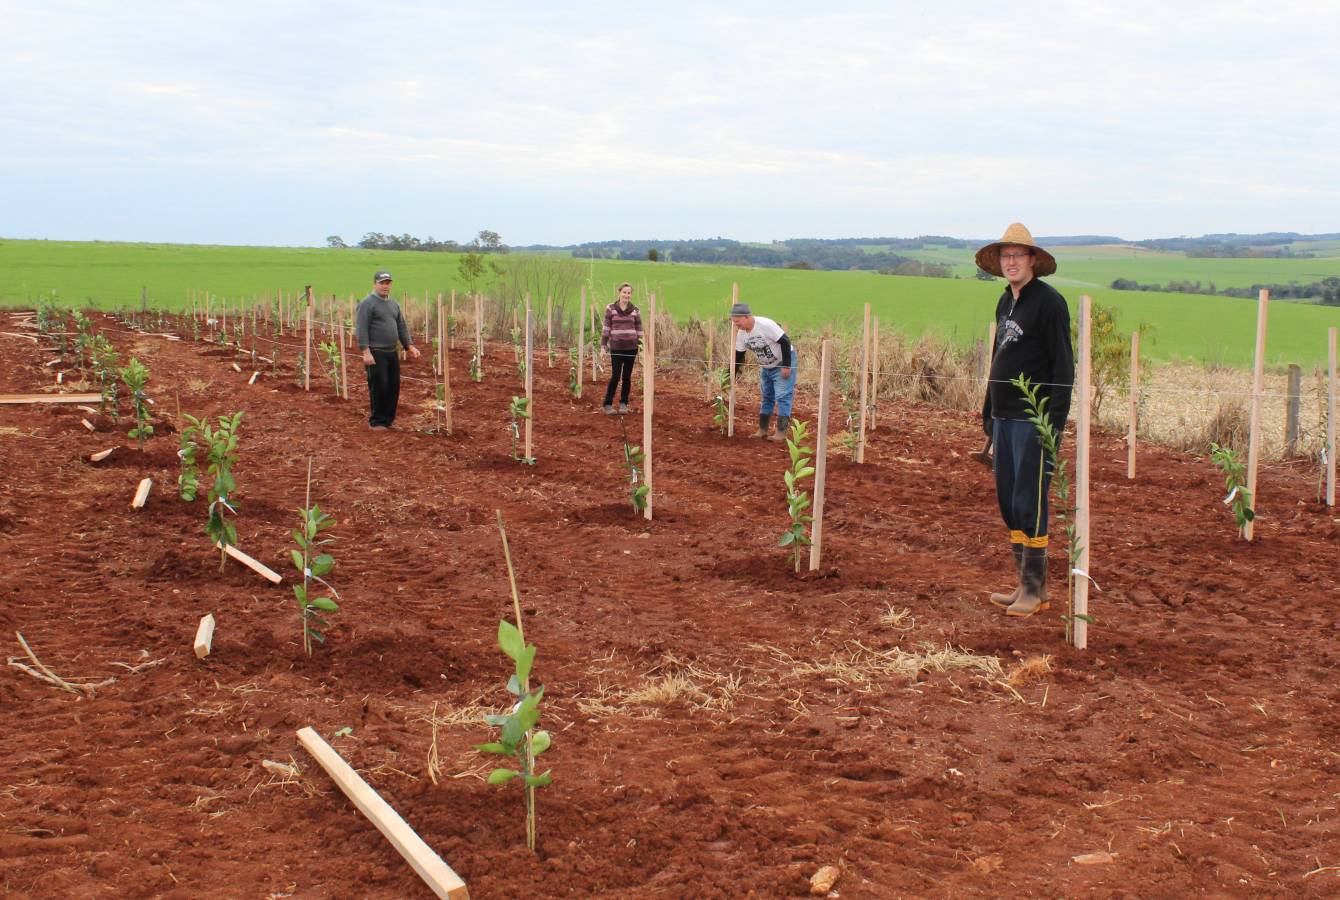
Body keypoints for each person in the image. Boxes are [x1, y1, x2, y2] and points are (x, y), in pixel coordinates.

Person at [978, 223, 1074, 618]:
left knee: (1029, 501)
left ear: (1033, 259)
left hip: (1033, 419)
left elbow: (1063, 366)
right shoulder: (1006, 301)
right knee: (1009, 502)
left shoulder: (1049, 303)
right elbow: (998, 356)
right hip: (1004, 418)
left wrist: (1053, 424)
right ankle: (1023, 584)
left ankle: (1036, 590)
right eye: (1006, 256)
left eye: (1018, 255)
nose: (1011, 261)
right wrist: (988, 410)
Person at [355, 271, 420, 430]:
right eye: (382, 283)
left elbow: (401, 326)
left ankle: (388, 421)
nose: (385, 286)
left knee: (393, 386)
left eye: (388, 283)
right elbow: (361, 328)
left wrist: (409, 346)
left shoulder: (393, 304)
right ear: (375, 284)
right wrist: (365, 351)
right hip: (375, 352)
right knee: (379, 387)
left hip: (392, 352)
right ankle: (377, 422)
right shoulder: (367, 303)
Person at [730, 302, 797, 442]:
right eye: (734, 322)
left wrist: (786, 365)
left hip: (782, 362)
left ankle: (780, 433)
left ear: (747, 316)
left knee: (783, 396)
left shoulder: (765, 325)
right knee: (767, 397)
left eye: (737, 321)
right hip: (766, 366)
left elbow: (785, 341)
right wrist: (731, 373)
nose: (736, 325)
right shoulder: (742, 334)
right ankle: (762, 430)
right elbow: (739, 355)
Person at [601, 282, 643, 414]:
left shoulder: (635, 310)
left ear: (631, 295)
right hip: (617, 347)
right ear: (619, 293)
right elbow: (606, 327)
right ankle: (608, 404)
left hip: (631, 348)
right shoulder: (611, 308)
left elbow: (639, 329)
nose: (626, 295)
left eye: (629, 293)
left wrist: (641, 347)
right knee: (615, 376)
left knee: (627, 377)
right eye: (624, 292)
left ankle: (624, 404)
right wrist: (603, 346)